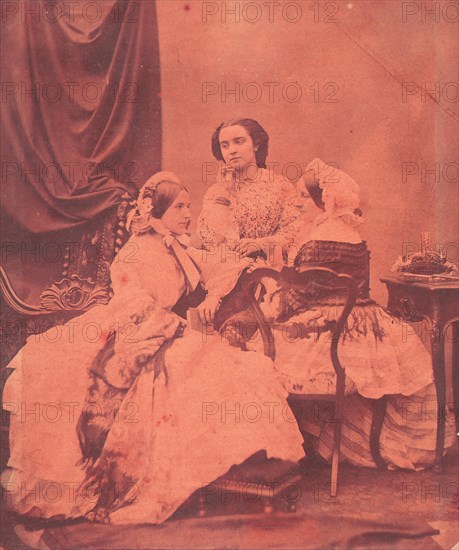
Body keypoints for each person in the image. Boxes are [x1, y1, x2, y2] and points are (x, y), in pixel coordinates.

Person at [1, 172, 304, 525]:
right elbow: (133, 305)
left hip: (166, 328)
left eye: (188, 206)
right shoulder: (132, 254)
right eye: (179, 206)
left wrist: (254, 270)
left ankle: (233, 469)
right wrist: (172, 325)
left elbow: (219, 265)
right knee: (180, 373)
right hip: (127, 330)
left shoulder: (176, 245)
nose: (187, 213)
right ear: (156, 211)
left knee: (233, 368)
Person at [244, 159, 456, 470]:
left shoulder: (314, 241)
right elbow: (357, 289)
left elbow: (299, 297)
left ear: (324, 200)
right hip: (361, 320)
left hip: (322, 327)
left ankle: (284, 446)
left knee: (256, 353)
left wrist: (270, 294)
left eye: (304, 197)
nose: (297, 203)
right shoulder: (352, 235)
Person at [198, 118, 299, 262]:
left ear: (256, 144)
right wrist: (224, 192)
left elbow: (295, 233)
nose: (232, 150)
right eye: (225, 146)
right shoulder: (215, 192)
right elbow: (211, 241)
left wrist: (260, 245)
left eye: (239, 142)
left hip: (271, 269)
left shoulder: (280, 185)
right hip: (227, 270)